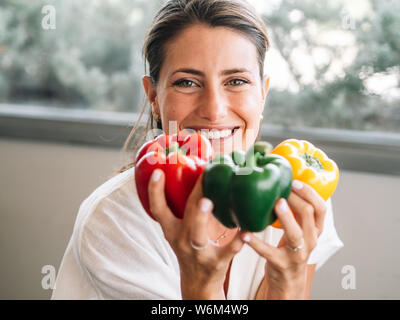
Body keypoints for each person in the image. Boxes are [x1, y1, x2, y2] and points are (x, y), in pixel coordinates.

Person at [52, 0, 343, 300]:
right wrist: (201, 287)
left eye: (237, 81)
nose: (214, 111)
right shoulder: (115, 221)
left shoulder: (297, 194)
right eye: (187, 82)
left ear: (263, 93)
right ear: (153, 96)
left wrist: (286, 281)